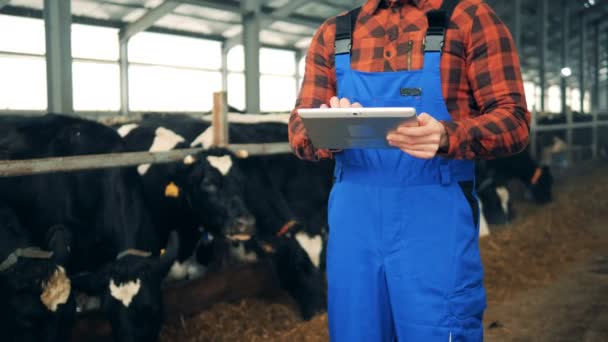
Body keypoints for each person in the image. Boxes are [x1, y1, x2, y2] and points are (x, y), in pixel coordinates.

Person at [288, 0, 530, 341]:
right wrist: (332, 128)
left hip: (434, 213)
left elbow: (514, 119)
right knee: (356, 332)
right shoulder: (335, 32)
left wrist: (450, 135)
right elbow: (299, 128)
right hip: (353, 220)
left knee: (437, 329)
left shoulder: (468, 18)